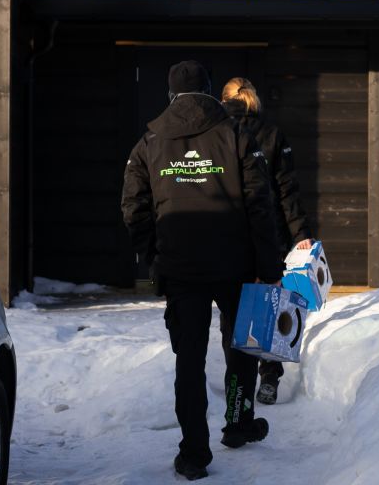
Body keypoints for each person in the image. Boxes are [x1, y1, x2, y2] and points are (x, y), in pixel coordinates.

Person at [122, 60, 285, 481]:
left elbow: (133, 207)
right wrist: (268, 266)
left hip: (181, 270)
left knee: (189, 362)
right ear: (211, 91)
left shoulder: (150, 141)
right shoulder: (236, 136)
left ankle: (194, 453)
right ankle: (237, 422)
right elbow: (260, 205)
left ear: (171, 95)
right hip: (236, 266)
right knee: (240, 351)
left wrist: (154, 256)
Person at [221, 76, 318, 406]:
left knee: (234, 309)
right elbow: (288, 190)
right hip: (270, 233)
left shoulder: (215, 136)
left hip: (231, 235)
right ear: (254, 100)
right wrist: (300, 234)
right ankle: (270, 375)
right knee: (271, 303)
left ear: (225, 100)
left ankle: (239, 378)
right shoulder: (272, 134)